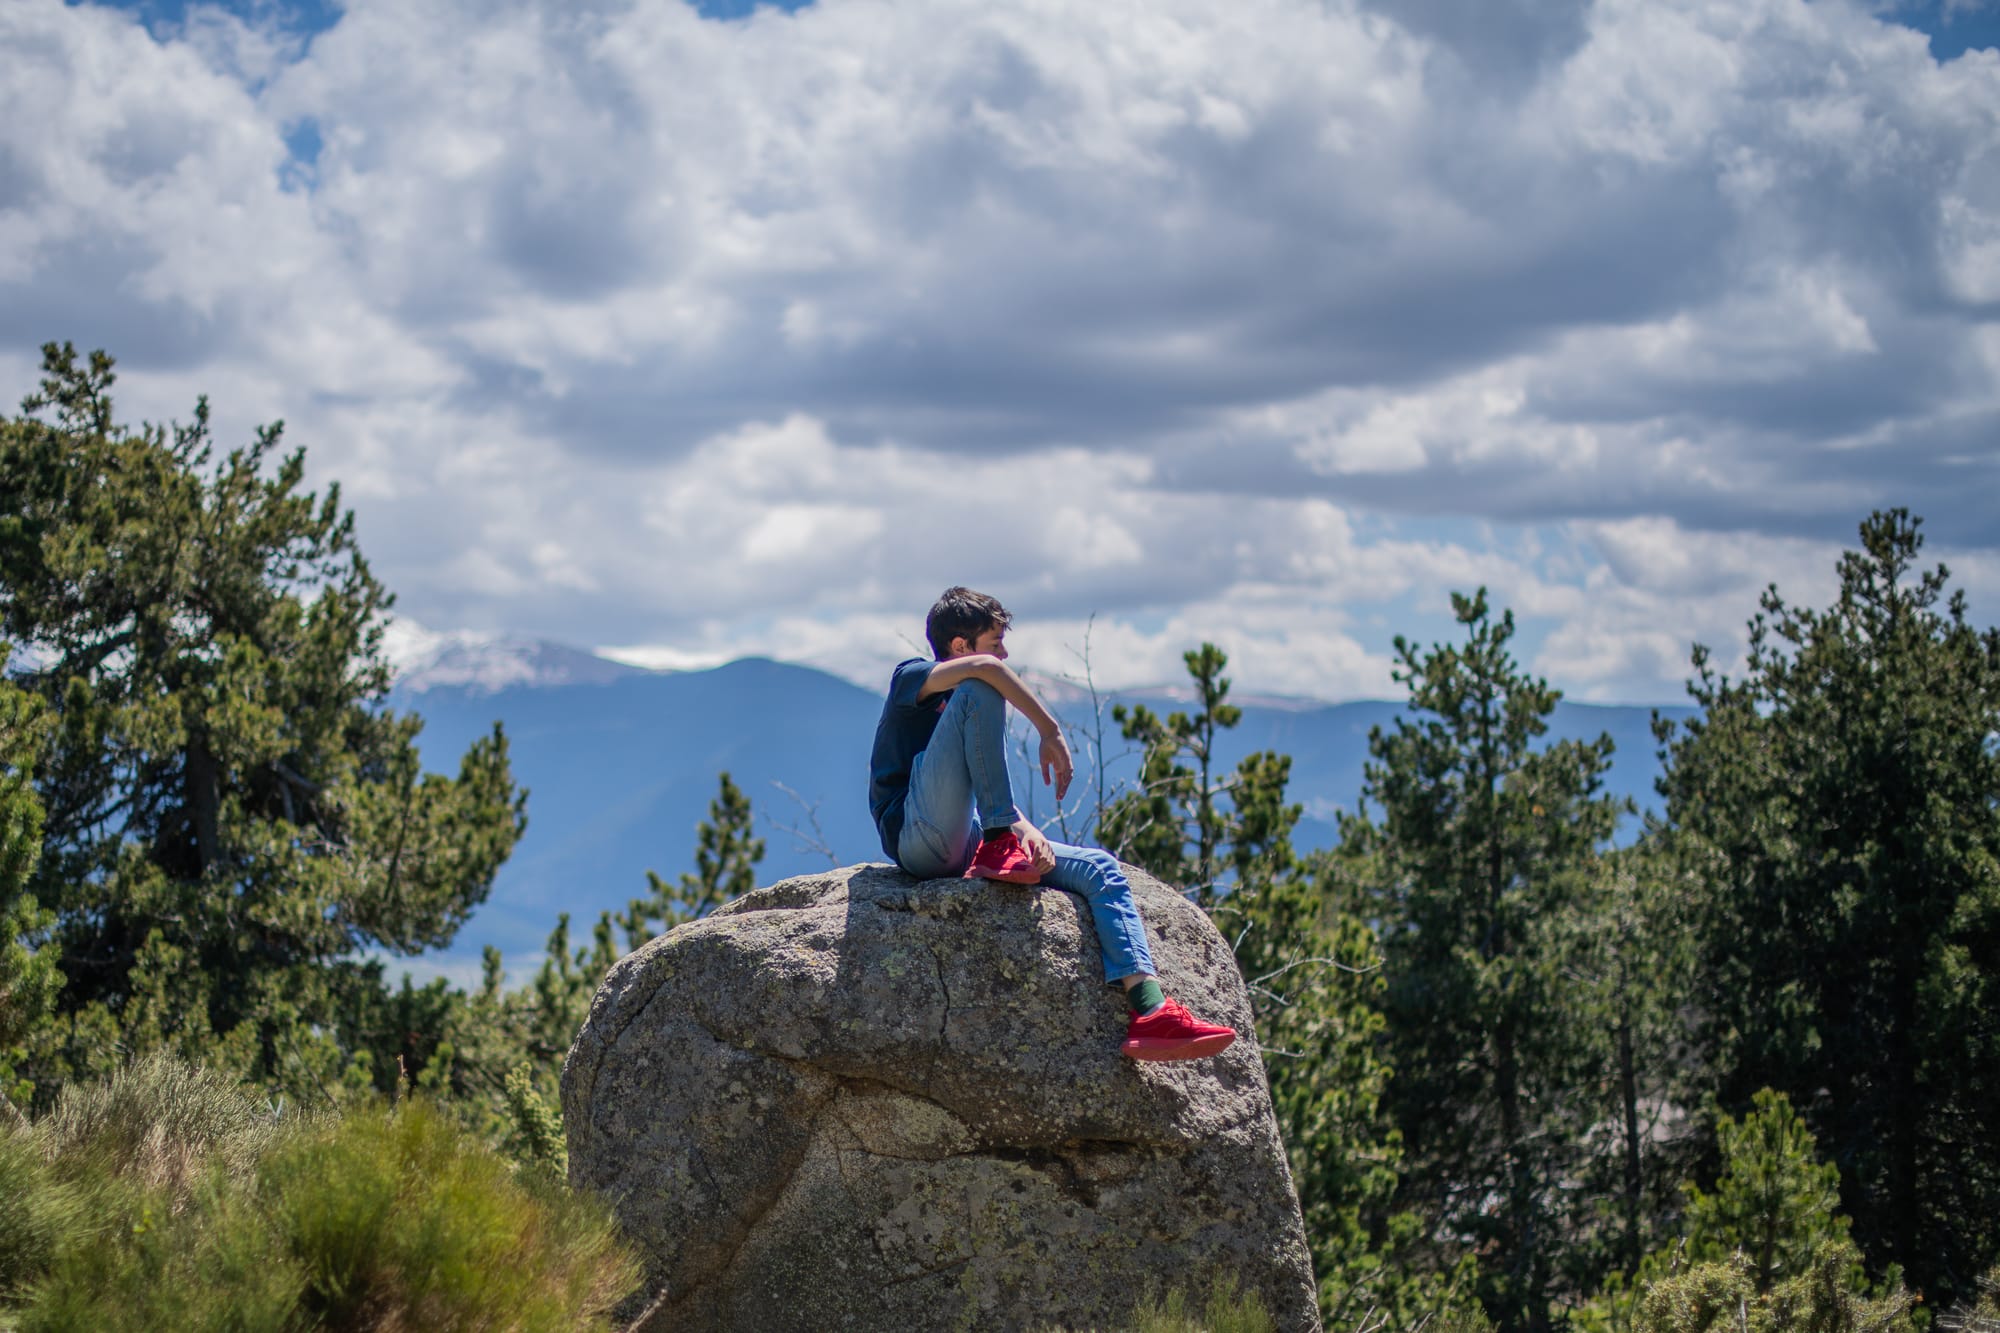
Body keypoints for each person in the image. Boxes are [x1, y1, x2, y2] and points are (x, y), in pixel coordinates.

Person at [867, 586, 1236, 1062]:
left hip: (964, 834)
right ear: (960, 647)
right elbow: (989, 671)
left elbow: (974, 790)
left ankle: (1150, 1009)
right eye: (994, 640)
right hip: (916, 836)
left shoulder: (968, 705)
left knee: (1100, 869)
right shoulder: (911, 679)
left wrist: (1028, 833)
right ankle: (999, 842)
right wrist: (1050, 730)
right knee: (983, 686)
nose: (1004, 652)